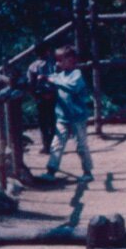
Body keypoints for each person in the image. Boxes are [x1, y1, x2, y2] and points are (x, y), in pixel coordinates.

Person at [41, 43, 94, 182]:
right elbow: (50, 82)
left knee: (81, 145)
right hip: (62, 117)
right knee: (56, 144)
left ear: (71, 60)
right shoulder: (59, 75)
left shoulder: (77, 75)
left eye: (60, 60)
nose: (57, 63)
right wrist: (44, 80)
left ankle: (87, 171)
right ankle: (51, 171)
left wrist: (53, 81)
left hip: (78, 117)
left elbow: (72, 88)